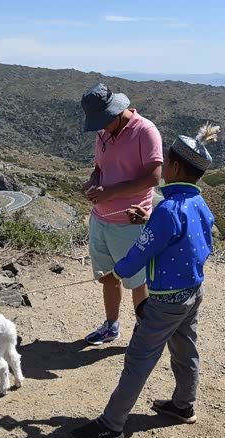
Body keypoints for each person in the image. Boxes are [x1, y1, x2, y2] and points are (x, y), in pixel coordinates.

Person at [71, 123, 220, 438]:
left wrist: (116, 272)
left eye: (166, 164)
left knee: (139, 359)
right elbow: (192, 238)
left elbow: (142, 250)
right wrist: (149, 220)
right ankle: (183, 405)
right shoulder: (198, 204)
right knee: (185, 349)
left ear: (175, 167)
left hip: (165, 300)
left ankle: (111, 425)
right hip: (193, 292)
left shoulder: (167, 209)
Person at [80, 83, 163, 345]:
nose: (102, 128)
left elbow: (154, 177)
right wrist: (93, 182)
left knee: (137, 282)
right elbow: (99, 168)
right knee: (107, 277)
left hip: (130, 221)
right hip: (100, 219)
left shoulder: (145, 131)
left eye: (104, 122)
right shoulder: (104, 132)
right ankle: (111, 326)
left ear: (116, 111)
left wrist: (110, 192)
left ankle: (144, 333)